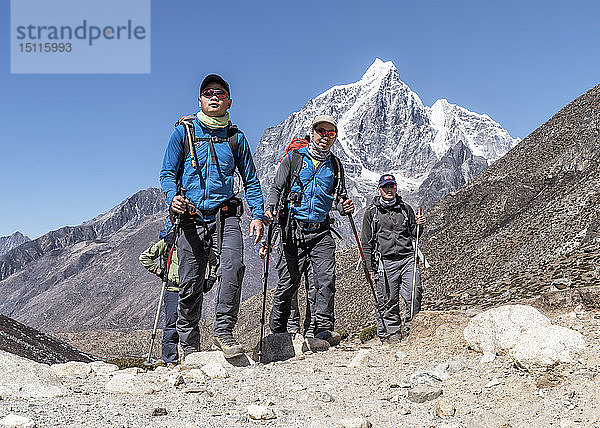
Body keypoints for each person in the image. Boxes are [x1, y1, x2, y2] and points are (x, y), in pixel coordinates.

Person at [160, 74, 265, 358]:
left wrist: (257, 215)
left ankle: (223, 332)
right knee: (190, 281)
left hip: (226, 216)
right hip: (190, 218)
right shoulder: (184, 133)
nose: (214, 97)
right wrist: (173, 199)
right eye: (208, 93)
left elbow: (251, 180)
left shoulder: (235, 138)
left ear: (229, 101)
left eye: (220, 93)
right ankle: (190, 344)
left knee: (233, 266)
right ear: (200, 101)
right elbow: (167, 173)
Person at [265, 114, 354, 346]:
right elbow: (276, 187)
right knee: (288, 282)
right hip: (292, 230)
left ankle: (323, 329)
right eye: (321, 132)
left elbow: (338, 197)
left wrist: (345, 207)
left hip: (321, 232)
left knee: (325, 280)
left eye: (330, 133)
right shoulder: (294, 159)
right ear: (312, 132)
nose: (325, 137)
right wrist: (271, 208)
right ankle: (278, 328)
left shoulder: (335, 165)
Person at [139, 225, 218, 366]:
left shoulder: (200, 240)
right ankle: (171, 361)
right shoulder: (170, 241)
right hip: (174, 288)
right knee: (172, 325)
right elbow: (145, 257)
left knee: (191, 322)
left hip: (192, 288)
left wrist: (211, 279)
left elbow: (214, 261)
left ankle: (191, 357)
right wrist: (159, 271)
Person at [360, 174, 425, 342]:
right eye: (386, 187)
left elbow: (415, 234)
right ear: (379, 190)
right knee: (388, 300)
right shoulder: (371, 213)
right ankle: (392, 337)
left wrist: (419, 225)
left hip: (407, 259)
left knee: (414, 293)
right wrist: (369, 268)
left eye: (392, 186)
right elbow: (366, 242)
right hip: (384, 262)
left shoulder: (405, 209)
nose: (389, 190)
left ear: (396, 188)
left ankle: (413, 332)